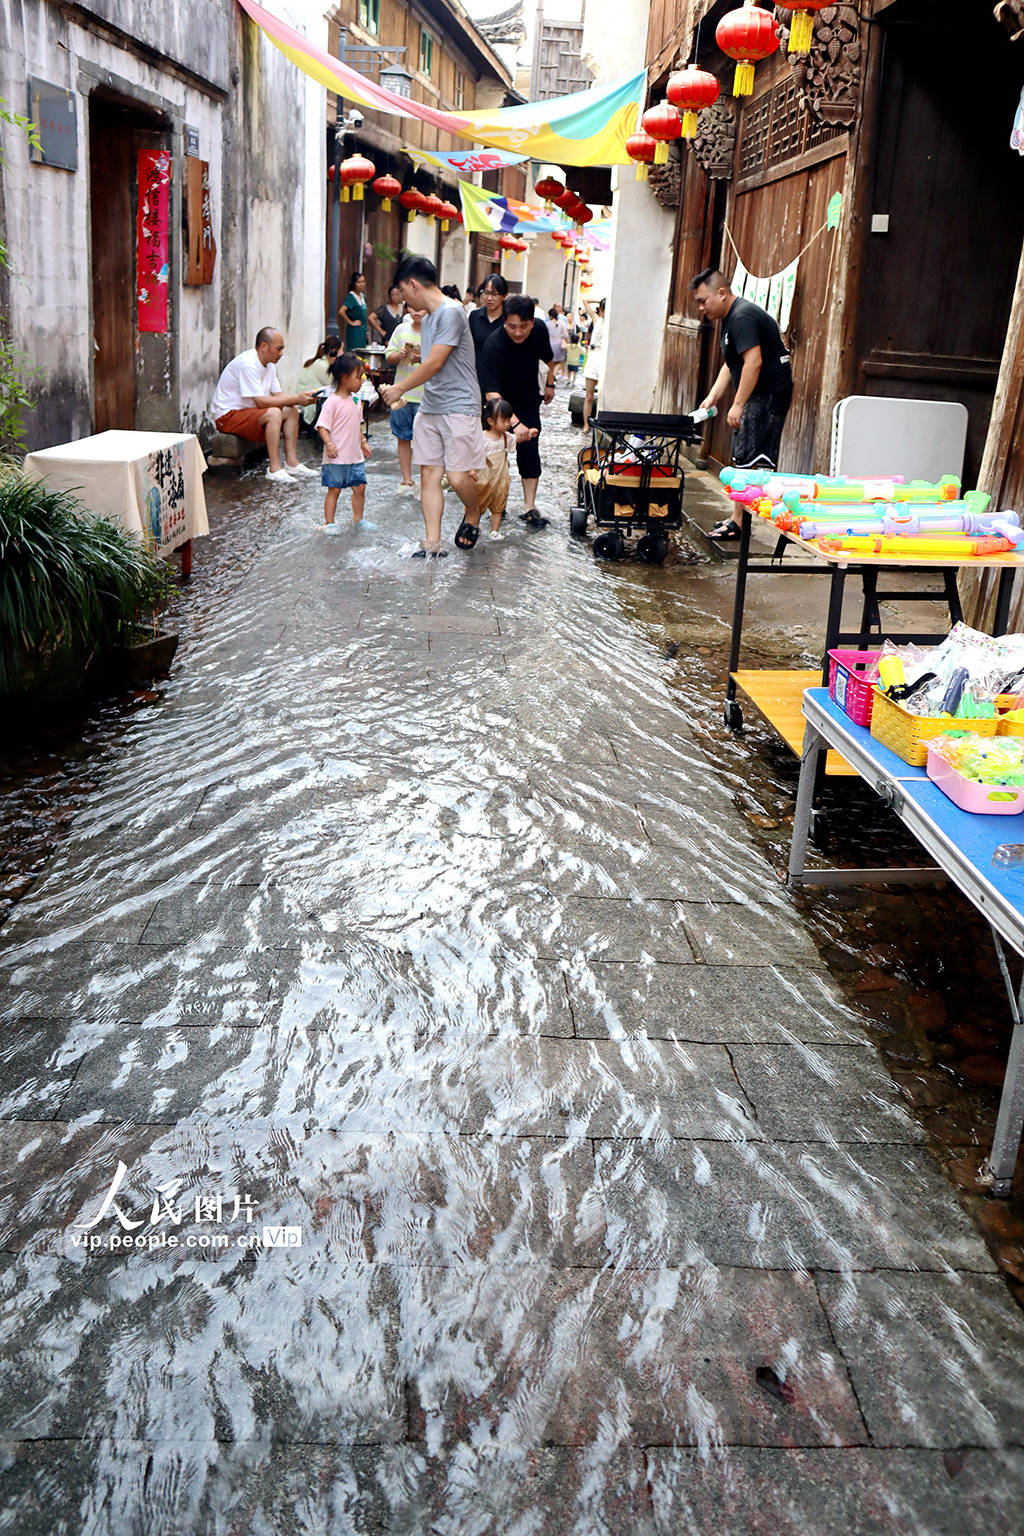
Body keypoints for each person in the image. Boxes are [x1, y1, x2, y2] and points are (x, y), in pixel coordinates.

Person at [379, 254, 484, 557]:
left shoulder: (451, 311)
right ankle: (432, 542)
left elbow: (437, 363)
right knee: (428, 474)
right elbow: (433, 360)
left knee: (459, 476)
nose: (403, 299)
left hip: (460, 406)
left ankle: (474, 512)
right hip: (431, 405)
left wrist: (399, 387)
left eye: (403, 291)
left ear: (413, 284)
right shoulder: (428, 317)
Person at [690, 266, 794, 540]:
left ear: (722, 293)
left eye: (704, 300)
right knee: (742, 455)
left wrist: (737, 404)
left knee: (750, 459)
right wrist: (713, 396)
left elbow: (754, 362)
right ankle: (738, 519)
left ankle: (742, 524)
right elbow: (731, 364)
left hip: (769, 394)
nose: (701, 307)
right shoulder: (730, 318)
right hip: (757, 394)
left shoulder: (742, 316)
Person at [479, 293, 555, 528]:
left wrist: (550, 383)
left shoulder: (540, 330)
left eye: (524, 326)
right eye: (512, 327)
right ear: (504, 322)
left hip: (529, 397)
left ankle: (529, 506)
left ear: (532, 322)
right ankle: (487, 504)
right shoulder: (493, 344)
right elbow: (491, 392)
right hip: (499, 405)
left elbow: (549, 359)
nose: (518, 332)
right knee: (493, 451)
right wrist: (513, 422)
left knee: (530, 448)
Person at [212, 327, 317, 483]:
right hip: (227, 416)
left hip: (248, 412)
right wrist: (296, 398)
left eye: (282, 349)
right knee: (274, 413)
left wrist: (301, 398)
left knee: (291, 409)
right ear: (263, 346)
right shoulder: (248, 363)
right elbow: (260, 401)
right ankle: (274, 469)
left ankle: (292, 463)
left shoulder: (269, 365)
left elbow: (279, 395)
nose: (281, 353)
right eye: (278, 348)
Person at [317, 352, 373, 534]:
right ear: (344, 378)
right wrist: (329, 443)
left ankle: (358, 519)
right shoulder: (332, 402)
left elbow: (358, 425)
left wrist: (363, 441)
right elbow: (322, 426)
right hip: (336, 457)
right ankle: (329, 523)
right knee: (335, 490)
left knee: (360, 487)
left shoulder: (356, 401)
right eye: (358, 377)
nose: (362, 381)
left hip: (355, 456)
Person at [384, 304, 425, 493]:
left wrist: (422, 358)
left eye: (420, 308)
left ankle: (426, 479)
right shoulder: (401, 329)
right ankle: (407, 478)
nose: (416, 312)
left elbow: (439, 361)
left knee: (425, 440)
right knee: (402, 436)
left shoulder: (432, 331)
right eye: (412, 308)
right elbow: (388, 355)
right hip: (402, 395)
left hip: (424, 395)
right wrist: (398, 355)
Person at [473, 397, 515, 541]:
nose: (508, 424)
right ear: (490, 421)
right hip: (483, 478)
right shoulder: (481, 438)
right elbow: (473, 456)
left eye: (509, 420)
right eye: (504, 421)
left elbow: (518, 439)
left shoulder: (506, 437)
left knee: (499, 506)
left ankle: (494, 531)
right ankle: (474, 527)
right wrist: (471, 471)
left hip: (501, 479)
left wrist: (528, 434)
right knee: (477, 505)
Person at [468, 273, 507, 381]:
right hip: (477, 377)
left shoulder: (509, 320)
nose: (489, 298)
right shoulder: (474, 316)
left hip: (502, 379)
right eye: (486, 293)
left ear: (503, 296)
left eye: (494, 294)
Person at [295, 338, 339, 431]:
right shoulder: (321, 365)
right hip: (308, 403)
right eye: (340, 351)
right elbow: (333, 383)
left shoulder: (320, 361)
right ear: (333, 352)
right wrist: (334, 364)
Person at [580, 298, 604, 434]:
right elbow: (585, 301)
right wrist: (599, 300)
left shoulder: (610, 322)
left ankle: (598, 425)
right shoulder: (597, 319)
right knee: (589, 396)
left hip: (603, 358)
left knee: (601, 395)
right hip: (594, 357)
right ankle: (586, 424)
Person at [338, 272, 378, 348]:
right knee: (355, 352)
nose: (361, 284)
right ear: (354, 283)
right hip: (355, 331)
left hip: (363, 331)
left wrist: (366, 332)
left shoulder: (363, 296)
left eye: (363, 281)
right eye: (358, 282)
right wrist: (351, 322)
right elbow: (341, 311)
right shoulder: (351, 296)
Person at [546, 305, 569, 382]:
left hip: (549, 345)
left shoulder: (547, 324)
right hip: (559, 345)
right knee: (558, 362)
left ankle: (550, 375)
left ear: (550, 315)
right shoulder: (562, 323)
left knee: (550, 362)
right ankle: (553, 374)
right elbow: (566, 335)